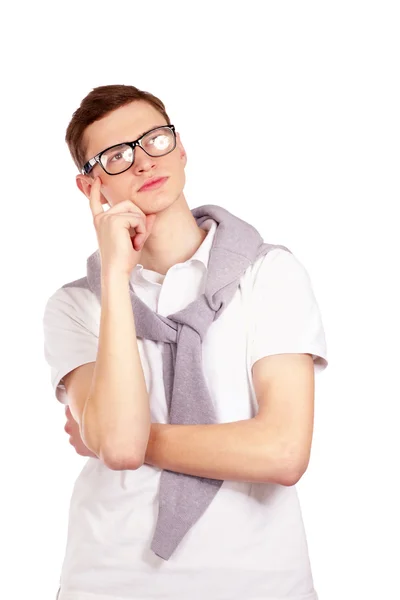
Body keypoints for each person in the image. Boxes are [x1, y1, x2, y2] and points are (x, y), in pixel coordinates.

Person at [43, 84, 328, 600]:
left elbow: (283, 452)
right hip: (108, 579)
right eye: (115, 156)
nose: (142, 162)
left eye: (153, 139)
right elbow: (121, 450)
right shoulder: (76, 305)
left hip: (262, 581)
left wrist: (110, 437)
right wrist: (113, 275)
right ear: (90, 187)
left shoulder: (270, 275)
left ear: (179, 148)